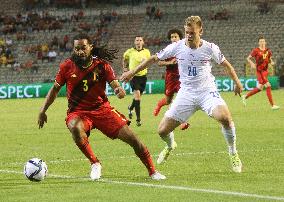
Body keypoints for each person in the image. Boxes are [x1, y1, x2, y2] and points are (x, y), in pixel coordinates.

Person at [121, 16, 243, 172]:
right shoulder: (177, 47)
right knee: (162, 131)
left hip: (207, 91)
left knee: (225, 118)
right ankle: (171, 144)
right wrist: (131, 72)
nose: (189, 35)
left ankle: (233, 152)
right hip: (186, 94)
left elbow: (227, 65)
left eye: (192, 32)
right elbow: (153, 59)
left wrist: (238, 83)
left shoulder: (210, 47)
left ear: (201, 31)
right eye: (187, 32)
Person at [37, 33, 165, 181]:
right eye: (76, 49)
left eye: (83, 48)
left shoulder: (102, 66)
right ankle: (95, 163)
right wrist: (43, 110)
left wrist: (118, 90)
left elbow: (114, 84)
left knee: (134, 140)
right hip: (78, 112)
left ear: (90, 47)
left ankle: (153, 171)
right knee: (75, 127)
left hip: (102, 110)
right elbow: (54, 90)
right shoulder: (66, 66)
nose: (79, 51)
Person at [154, 28, 189, 130]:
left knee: (181, 99)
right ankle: (160, 104)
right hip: (170, 78)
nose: (174, 38)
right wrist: (170, 63)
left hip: (181, 78)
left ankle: (183, 122)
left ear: (180, 38)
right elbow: (159, 62)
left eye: (175, 37)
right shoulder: (168, 50)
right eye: (172, 37)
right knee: (168, 100)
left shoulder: (184, 49)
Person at [242, 36, 280, 110]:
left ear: (265, 42)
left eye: (263, 41)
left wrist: (271, 62)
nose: (262, 43)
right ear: (258, 43)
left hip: (265, 71)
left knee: (260, 88)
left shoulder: (268, 51)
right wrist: (252, 64)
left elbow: (269, 59)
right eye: (261, 41)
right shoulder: (256, 50)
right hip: (260, 71)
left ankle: (245, 96)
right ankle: (273, 105)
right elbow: (248, 58)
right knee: (268, 86)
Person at [122, 36, 150, 127]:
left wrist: (145, 62)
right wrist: (125, 69)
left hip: (143, 77)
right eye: (137, 40)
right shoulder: (129, 51)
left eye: (140, 40)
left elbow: (148, 62)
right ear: (135, 42)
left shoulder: (146, 52)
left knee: (138, 97)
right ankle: (138, 119)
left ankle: (130, 108)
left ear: (143, 42)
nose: (138, 42)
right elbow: (124, 59)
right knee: (137, 96)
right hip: (133, 77)